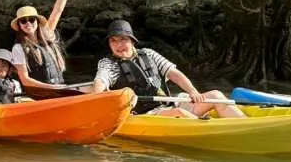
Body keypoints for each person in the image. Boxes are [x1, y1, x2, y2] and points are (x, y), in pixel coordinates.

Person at [91, 20, 246, 118]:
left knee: (216, 94)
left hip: (169, 105)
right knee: (180, 113)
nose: (118, 45)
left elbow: (174, 74)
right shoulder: (108, 64)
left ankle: (244, 126)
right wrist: (100, 98)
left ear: (132, 41)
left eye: (123, 40)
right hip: (143, 114)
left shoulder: (149, 54)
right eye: (113, 41)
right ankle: (211, 130)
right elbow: (100, 82)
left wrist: (193, 91)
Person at [10, 0, 82, 90]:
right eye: (23, 21)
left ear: (37, 22)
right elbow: (25, 80)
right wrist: (50, 88)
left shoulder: (47, 34)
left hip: (59, 87)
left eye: (31, 20)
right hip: (42, 93)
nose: (28, 23)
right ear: (20, 26)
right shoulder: (18, 48)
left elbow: (58, 10)